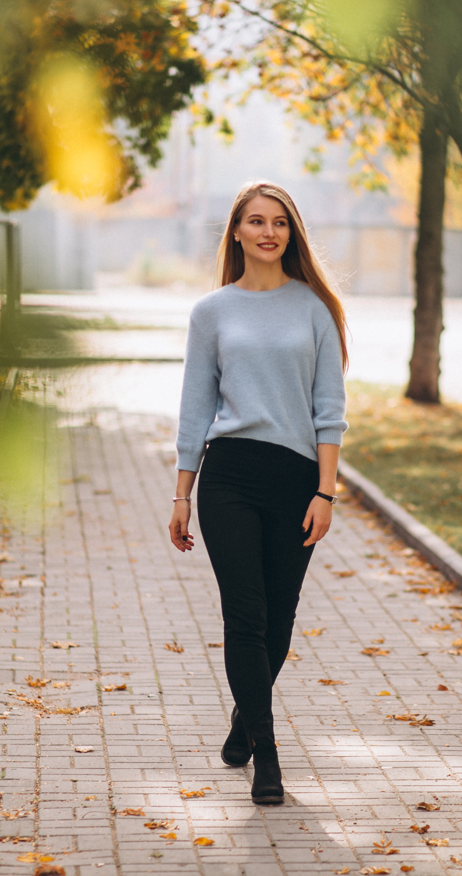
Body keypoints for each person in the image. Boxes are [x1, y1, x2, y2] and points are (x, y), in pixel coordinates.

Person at [167, 181, 348, 805]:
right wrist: (182, 493)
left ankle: (244, 724)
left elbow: (330, 411)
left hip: (295, 480)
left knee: (279, 623)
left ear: (290, 234)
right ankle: (267, 757)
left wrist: (325, 493)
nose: (268, 232)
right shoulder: (211, 312)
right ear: (237, 232)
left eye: (280, 223)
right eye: (256, 221)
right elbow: (195, 408)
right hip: (230, 478)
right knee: (245, 617)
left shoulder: (314, 309)